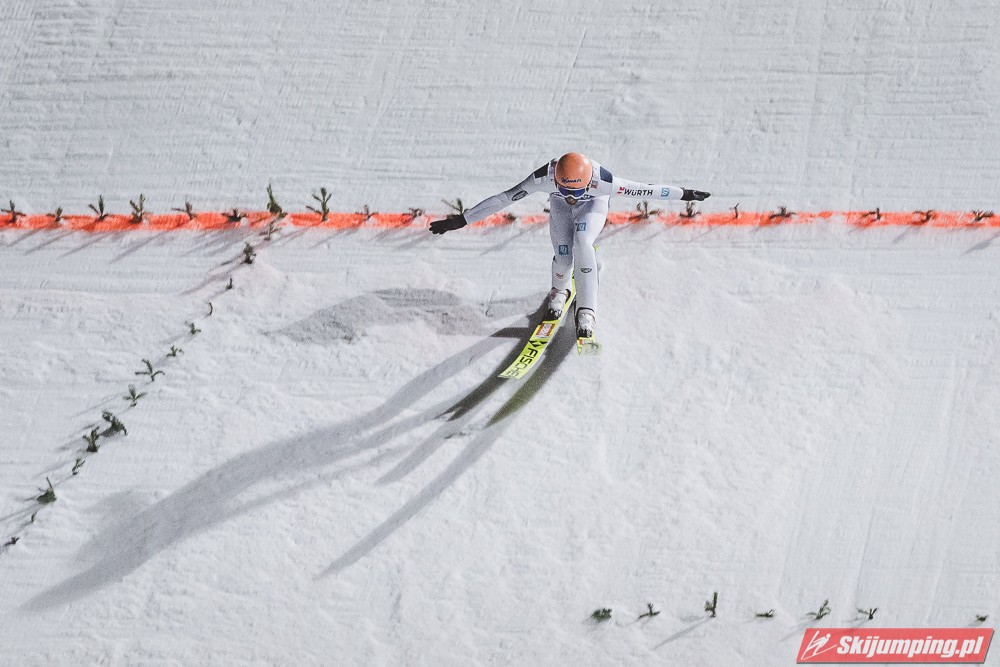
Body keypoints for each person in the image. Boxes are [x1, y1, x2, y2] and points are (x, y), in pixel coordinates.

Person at [430, 152, 710, 339]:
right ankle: (559, 291)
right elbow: (505, 198)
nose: (573, 195)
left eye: (577, 190)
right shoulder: (543, 178)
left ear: (588, 182)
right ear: (556, 181)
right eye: (565, 189)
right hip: (560, 208)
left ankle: (586, 311)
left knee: (583, 243)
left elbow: (647, 189)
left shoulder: (603, 182)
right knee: (563, 256)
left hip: (593, 206)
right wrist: (463, 220)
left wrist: (685, 194)